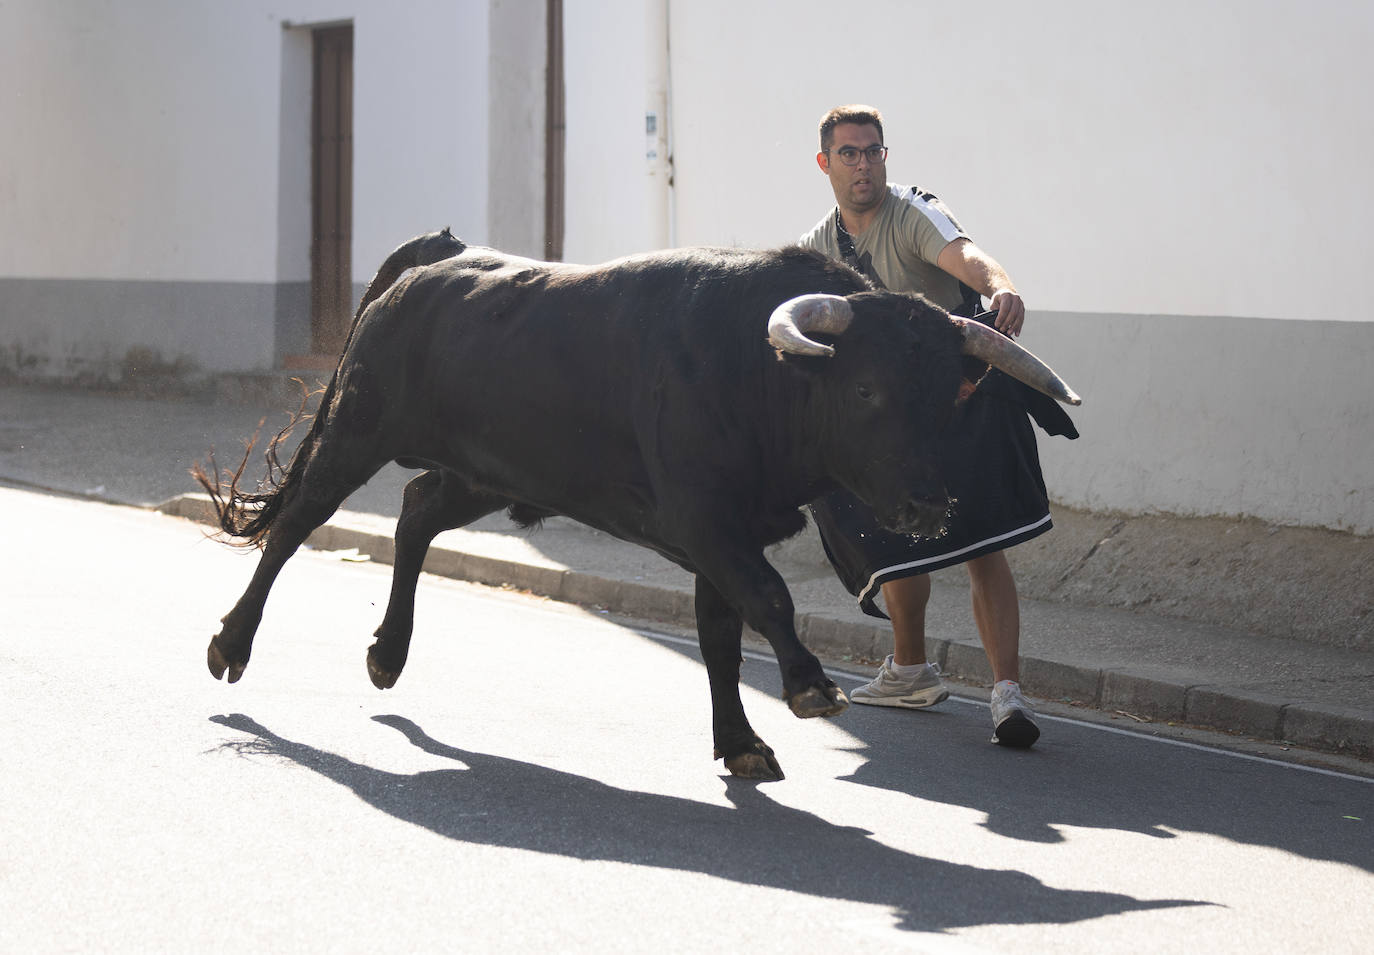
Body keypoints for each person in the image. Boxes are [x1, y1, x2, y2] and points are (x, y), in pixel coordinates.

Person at [798, 104, 1077, 747]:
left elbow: (971, 257)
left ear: (885, 157)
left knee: (983, 543)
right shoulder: (818, 244)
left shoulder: (911, 212)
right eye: (849, 154)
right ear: (825, 164)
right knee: (893, 529)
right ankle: (912, 671)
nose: (863, 164)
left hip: (963, 389)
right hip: (898, 417)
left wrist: (1002, 286)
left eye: (873, 151)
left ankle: (1006, 693)